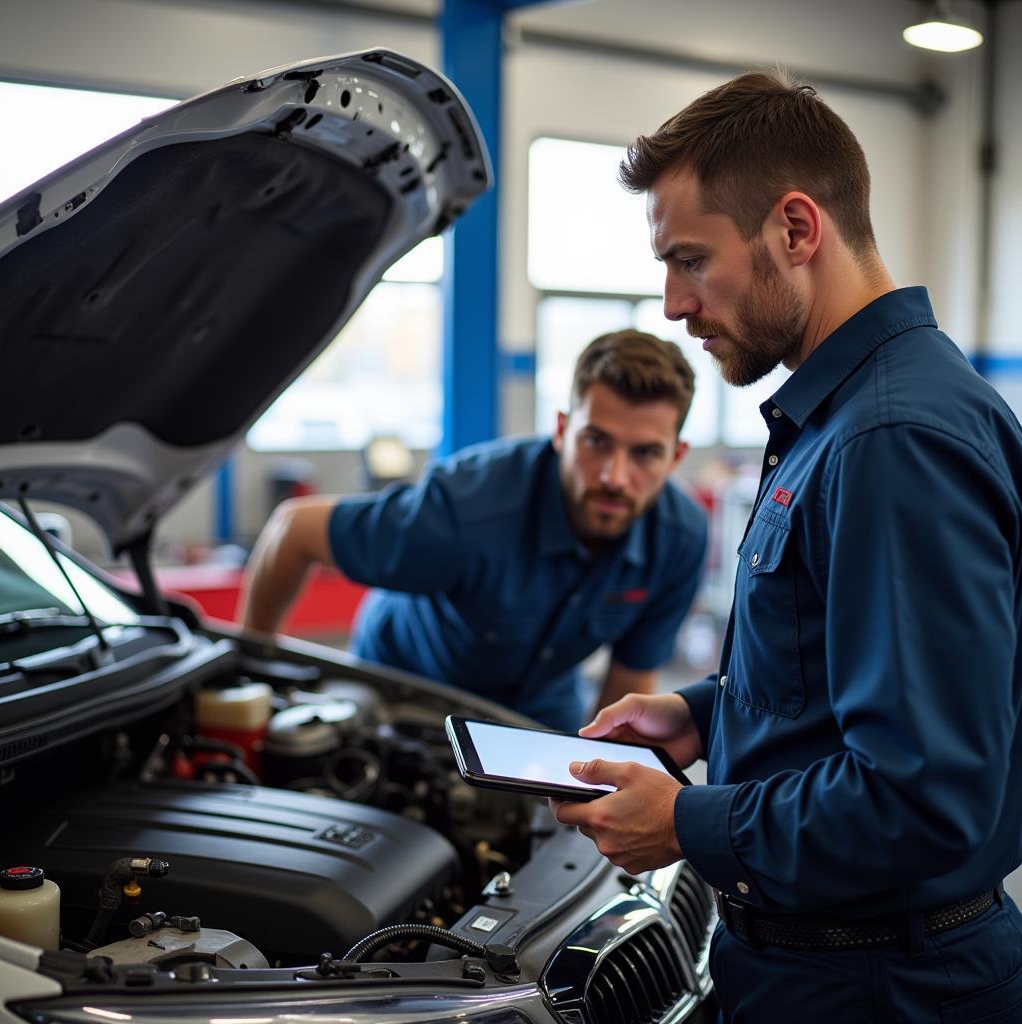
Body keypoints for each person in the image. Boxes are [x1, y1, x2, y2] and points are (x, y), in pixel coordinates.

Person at [552, 71, 1022, 1021]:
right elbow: (841, 687)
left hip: (880, 988)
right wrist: (703, 716)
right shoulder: (840, 416)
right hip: (827, 970)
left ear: (796, 230)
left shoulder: (893, 440)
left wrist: (688, 820)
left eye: (690, 260)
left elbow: (922, 797)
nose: (674, 306)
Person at [239, 329, 707, 732]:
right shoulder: (463, 513)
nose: (613, 476)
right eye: (596, 441)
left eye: (644, 453)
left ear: (676, 456)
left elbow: (626, 690)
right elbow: (293, 529)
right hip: (408, 684)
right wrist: (253, 676)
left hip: (540, 699)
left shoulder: (679, 539)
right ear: (562, 431)